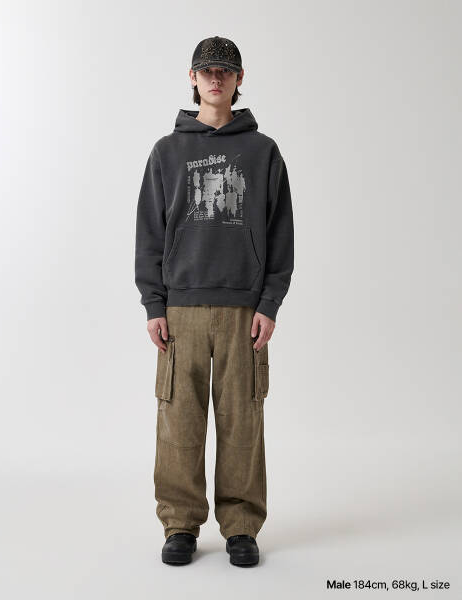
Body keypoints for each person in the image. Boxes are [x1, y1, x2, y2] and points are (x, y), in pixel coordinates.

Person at [135, 35, 294, 567]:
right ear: (193, 77)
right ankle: (180, 523)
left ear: (240, 78)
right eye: (207, 70)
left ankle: (241, 525)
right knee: (178, 422)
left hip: (243, 310)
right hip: (181, 308)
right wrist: (154, 304)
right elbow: (149, 232)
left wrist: (269, 302)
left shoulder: (263, 151)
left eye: (225, 70)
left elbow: (280, 233)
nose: (216, 78)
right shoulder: (167, 151)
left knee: (242, 420)